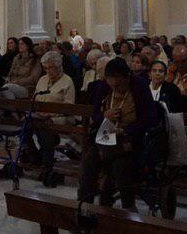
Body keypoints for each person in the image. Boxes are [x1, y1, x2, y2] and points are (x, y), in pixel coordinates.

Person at [78, 58, 159, 209]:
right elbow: (94, 114)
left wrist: (125, 130)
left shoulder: (139, 87)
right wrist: (104, 116)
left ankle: (128, 208)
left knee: (120, 167)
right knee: (88, 163)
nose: (115, 87)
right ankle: (83, 207)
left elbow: (150, 119)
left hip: (130, 140)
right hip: (106, 137)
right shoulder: (103, 87)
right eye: (111, 83)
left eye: (119, 84)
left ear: (127, 78)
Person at [31, 51, 76, 187]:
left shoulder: (67, 81)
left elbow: (69, 106)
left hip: (61, 117)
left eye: (50, 67)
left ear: (59, 66)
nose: (48, 71)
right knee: (26, 126)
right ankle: (36, 157)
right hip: (40, 116)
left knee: (45, 128)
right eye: (46, 68)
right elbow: (35, 98)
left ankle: (46, 165)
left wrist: (51, 114)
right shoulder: (42, 80)